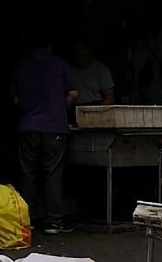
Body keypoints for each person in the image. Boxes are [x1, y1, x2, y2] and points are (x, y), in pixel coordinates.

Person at [12, 31, 79, 235]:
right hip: (54, 127)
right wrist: (59, 107)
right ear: (49, 47)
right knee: (52, 174)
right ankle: (54, 222)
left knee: (28, 174)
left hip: (28, 127)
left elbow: (15, 100)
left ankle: (28, 221)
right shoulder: (60, 64)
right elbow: (74, 94)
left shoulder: (21, 67)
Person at [72, 43, 115, 107]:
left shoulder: (101, 69)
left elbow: (109, 97)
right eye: (77, 56)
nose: (79, 60)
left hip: (95, 106)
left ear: (90, 54)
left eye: (83, 56)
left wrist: (96, 111)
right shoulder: (70, 70)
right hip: (75, 108)